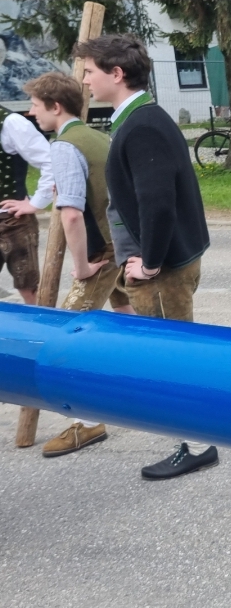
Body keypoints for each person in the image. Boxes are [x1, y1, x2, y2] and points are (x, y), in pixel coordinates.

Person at [73, 35, 219, 480]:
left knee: (171, 355)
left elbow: (157, 203)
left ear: (116, 73)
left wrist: (150, 263)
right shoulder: (140, 118)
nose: (85, 80)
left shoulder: (141, 125)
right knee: (174, 349)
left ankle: (195, 444)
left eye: (90, 71)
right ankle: (194, 436)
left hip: (162, 269)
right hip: (166, 263)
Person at [2, 72, 135, 457]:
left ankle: (86, 422)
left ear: (55, 107)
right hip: (119, 244)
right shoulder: (98, 137)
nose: (31, 113)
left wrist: (81, 266)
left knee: (66, 340)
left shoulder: (64, 146)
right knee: (128, 317)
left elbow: (72, 214)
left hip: (100, 252)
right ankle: (133, 387)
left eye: (35, 106)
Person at [0, 98, 55, 305]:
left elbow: (50, 160)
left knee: (28, 287)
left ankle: (40, 325)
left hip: (12, 220)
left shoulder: (11, 122)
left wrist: (37, 202)